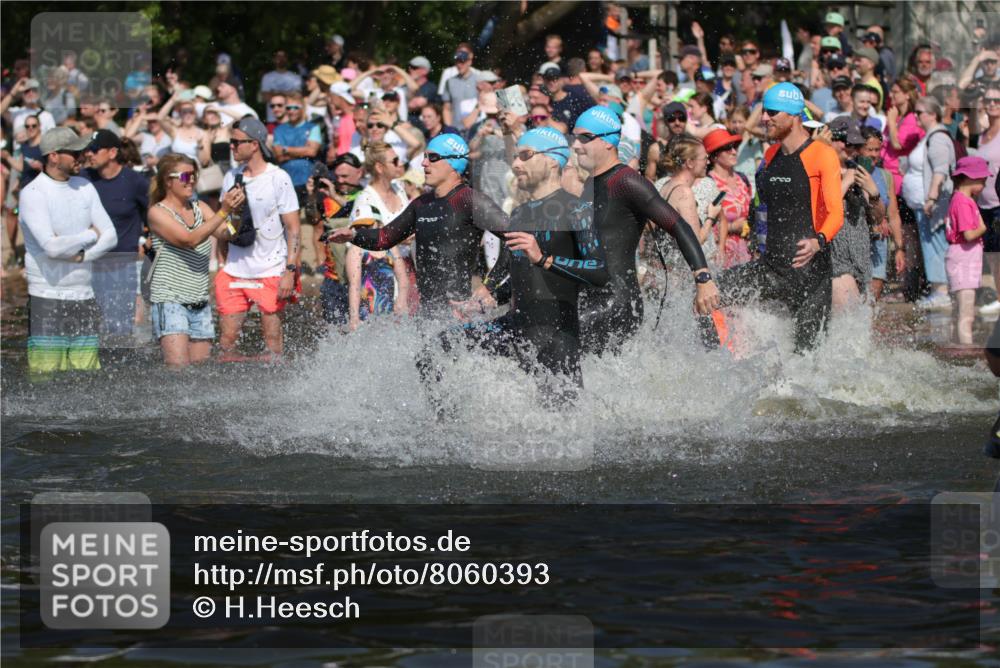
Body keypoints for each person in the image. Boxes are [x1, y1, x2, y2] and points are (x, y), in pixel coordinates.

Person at [424, 128, 608, 413]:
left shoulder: (576, 209)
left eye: (525, 156)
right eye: (516, 156)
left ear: (551, 161)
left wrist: (544, 259)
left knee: (561, 424)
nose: (516, 164)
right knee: (435, 351)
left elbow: (599, 272)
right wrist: (487, 300)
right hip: (515, 328)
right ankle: (446, 431)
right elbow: (523, 276)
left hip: (555, 337)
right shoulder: (521, 213)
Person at [704, 83, 843, 353]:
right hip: (770, 269)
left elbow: (836, 212)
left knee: (807, 360)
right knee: (706, 295)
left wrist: (818, 241)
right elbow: (760, 209)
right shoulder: (769, 155)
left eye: (772, 112)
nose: (764, 118)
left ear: (793, 115)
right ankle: (720, 363)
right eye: (764, 111)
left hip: (810, 276)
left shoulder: (822, 154)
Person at [569, 106, 719, 354]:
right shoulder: (591, 183)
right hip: (591, 299)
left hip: (615, 302)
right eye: (574, 137)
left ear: (608, 142)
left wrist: (703, 278)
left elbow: (678, 225)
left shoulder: (627, 181)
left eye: (585, 137)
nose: (575, 145)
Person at [326, 133, 509, 316]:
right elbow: (384, 238)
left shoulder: (470, 200)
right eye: (424, 157)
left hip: (459, 313)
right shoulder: (421, 204)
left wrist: (489, 286)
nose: (424, 163)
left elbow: (518, 239)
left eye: (433, 158)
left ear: (454, 162)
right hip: (426, 313)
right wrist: (354, 236)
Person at [19, 127, 117, 378]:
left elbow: (111, 236)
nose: (82, 156)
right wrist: (90, 235)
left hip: (84, 295)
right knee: (45, 375)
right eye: (74, 152)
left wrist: (84, 256)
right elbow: (51, 247)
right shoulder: (33, 193)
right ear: (53, 156)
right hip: (47, 296)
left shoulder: (84, 186)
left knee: (87, 375)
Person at [147, 154, 245, 366]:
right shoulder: (157, 213)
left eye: (194, 175)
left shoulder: (200, 207)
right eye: (185, 176)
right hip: (170, 300)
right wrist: (224, 211)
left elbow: (227, 233)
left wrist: (235, 214)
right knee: (178, 372)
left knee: (201, 374)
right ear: (168, 181)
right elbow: (189, 240)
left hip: (199, 301)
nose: (191, 180)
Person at [215, 118, 301, 359]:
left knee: (272, 343)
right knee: (227, 342)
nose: (231, 147)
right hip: (234, 270)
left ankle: (272, 391)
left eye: (235, 142)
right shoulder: (231, 177)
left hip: (271, 269)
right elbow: (224, 224)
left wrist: (290, 270)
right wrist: (222, 264)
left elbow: (293, 228)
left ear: (254, 144)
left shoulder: (278, 177)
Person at [80, 130, 150, 340]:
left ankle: (124, 371)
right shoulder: (84, 179)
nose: (88, 154)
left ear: (112, 152)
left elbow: (154, 214)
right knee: (88, 327)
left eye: (93, 150)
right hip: (87, 264)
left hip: (122, 265)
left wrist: (149, 242)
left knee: (119, 329)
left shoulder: (134, 181)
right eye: (87, 150)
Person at [346, 141, 411, 330]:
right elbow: (365, 240)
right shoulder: (365, 200)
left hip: (408, 268)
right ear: (380, 167)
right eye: (395, 161)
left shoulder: (399, 187)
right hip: (380, 275)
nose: (401, 164)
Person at [903, 96, 956, 310]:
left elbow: (940, 171)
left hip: (933, 204)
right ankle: (938, 290)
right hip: (925, 204)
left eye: (920, 112)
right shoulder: (929, 136)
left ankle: (941, 292)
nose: (916, 116)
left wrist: (931, 198)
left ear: (933, 114)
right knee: (930, 245)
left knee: (936, 245)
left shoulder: (939, 138)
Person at [827, 117, 881, 310]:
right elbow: (823, 210)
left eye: (856, 144)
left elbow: (877, 218)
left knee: (860, 326)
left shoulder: (859, 171)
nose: (852, 149)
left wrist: (874, 194)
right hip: (835, 263)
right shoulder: (820, 169)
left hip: (861, 261)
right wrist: (846, 182)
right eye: (847, 143)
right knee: (846, 323)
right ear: (830, 139)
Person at [858, 126, 906, 301]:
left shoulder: (886, 176)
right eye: (869, 149)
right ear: (858, 149)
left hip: (879, 245)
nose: (873, 154)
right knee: (854, 299)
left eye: (877, 149)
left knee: (873, 297)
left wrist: (899, 248)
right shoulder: (852, 173)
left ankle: (868, 329)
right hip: (856, 244)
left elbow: (893, 214)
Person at [946, 156, 990, 345]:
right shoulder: (963, 202)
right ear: (968, 178)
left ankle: (956, 345)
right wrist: (983, 226)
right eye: (982, 180)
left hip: (962, 258)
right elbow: (970, 234)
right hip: (964, 259)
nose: (984, 185)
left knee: (960, 310)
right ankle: (966, 351)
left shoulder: (960, 198)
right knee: (967, 313)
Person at [656, 135, 722, 257]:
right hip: (681, 271)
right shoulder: (684, 193)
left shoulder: (666, 185)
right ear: (690, 163)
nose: (708, 162)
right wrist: (711, 218)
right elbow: (695, 242)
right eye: (704, 158)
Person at [705, 128, 754, 267]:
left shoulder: (743, 179)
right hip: (720, 258)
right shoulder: (709, 184)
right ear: (714, 156)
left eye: (734, 147)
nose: (734, 151)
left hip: (746, 256)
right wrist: (732, 227)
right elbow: (702, 230)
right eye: (727, 148)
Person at [975, 82, 1000, 316]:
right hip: (983, 203)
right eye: (988, 101)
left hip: (999, 203)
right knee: (992, 253)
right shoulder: (981, 135)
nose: (992, 104)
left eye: (997, 100)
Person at [260, 50, 302, 123]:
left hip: (291, 119)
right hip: (272, 119)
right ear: (274, 59)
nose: (281, 59)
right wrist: (289, 93)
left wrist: (274, 93)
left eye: (283, 57)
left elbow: (298, 97)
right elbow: (265, 97)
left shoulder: (295, 77)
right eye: (278, 57)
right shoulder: (267, 77)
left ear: (287, 59)